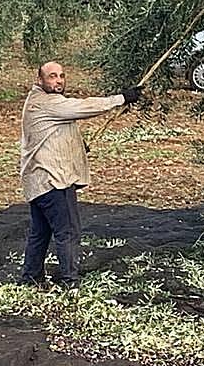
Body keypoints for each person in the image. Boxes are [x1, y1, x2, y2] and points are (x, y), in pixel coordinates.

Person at [18, 61, 141, 288]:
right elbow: (83, 107)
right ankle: (69, 282)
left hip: (39, 180)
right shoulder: (46, 103)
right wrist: (121, 98)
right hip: (53, 180)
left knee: (40, 232)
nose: (58, 80)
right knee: (68, 232)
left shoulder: (40, 102)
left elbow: (53, 133)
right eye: (52, 76)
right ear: (39, 80)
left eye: (61, 76)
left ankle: (31, 278)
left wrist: (77, 146)